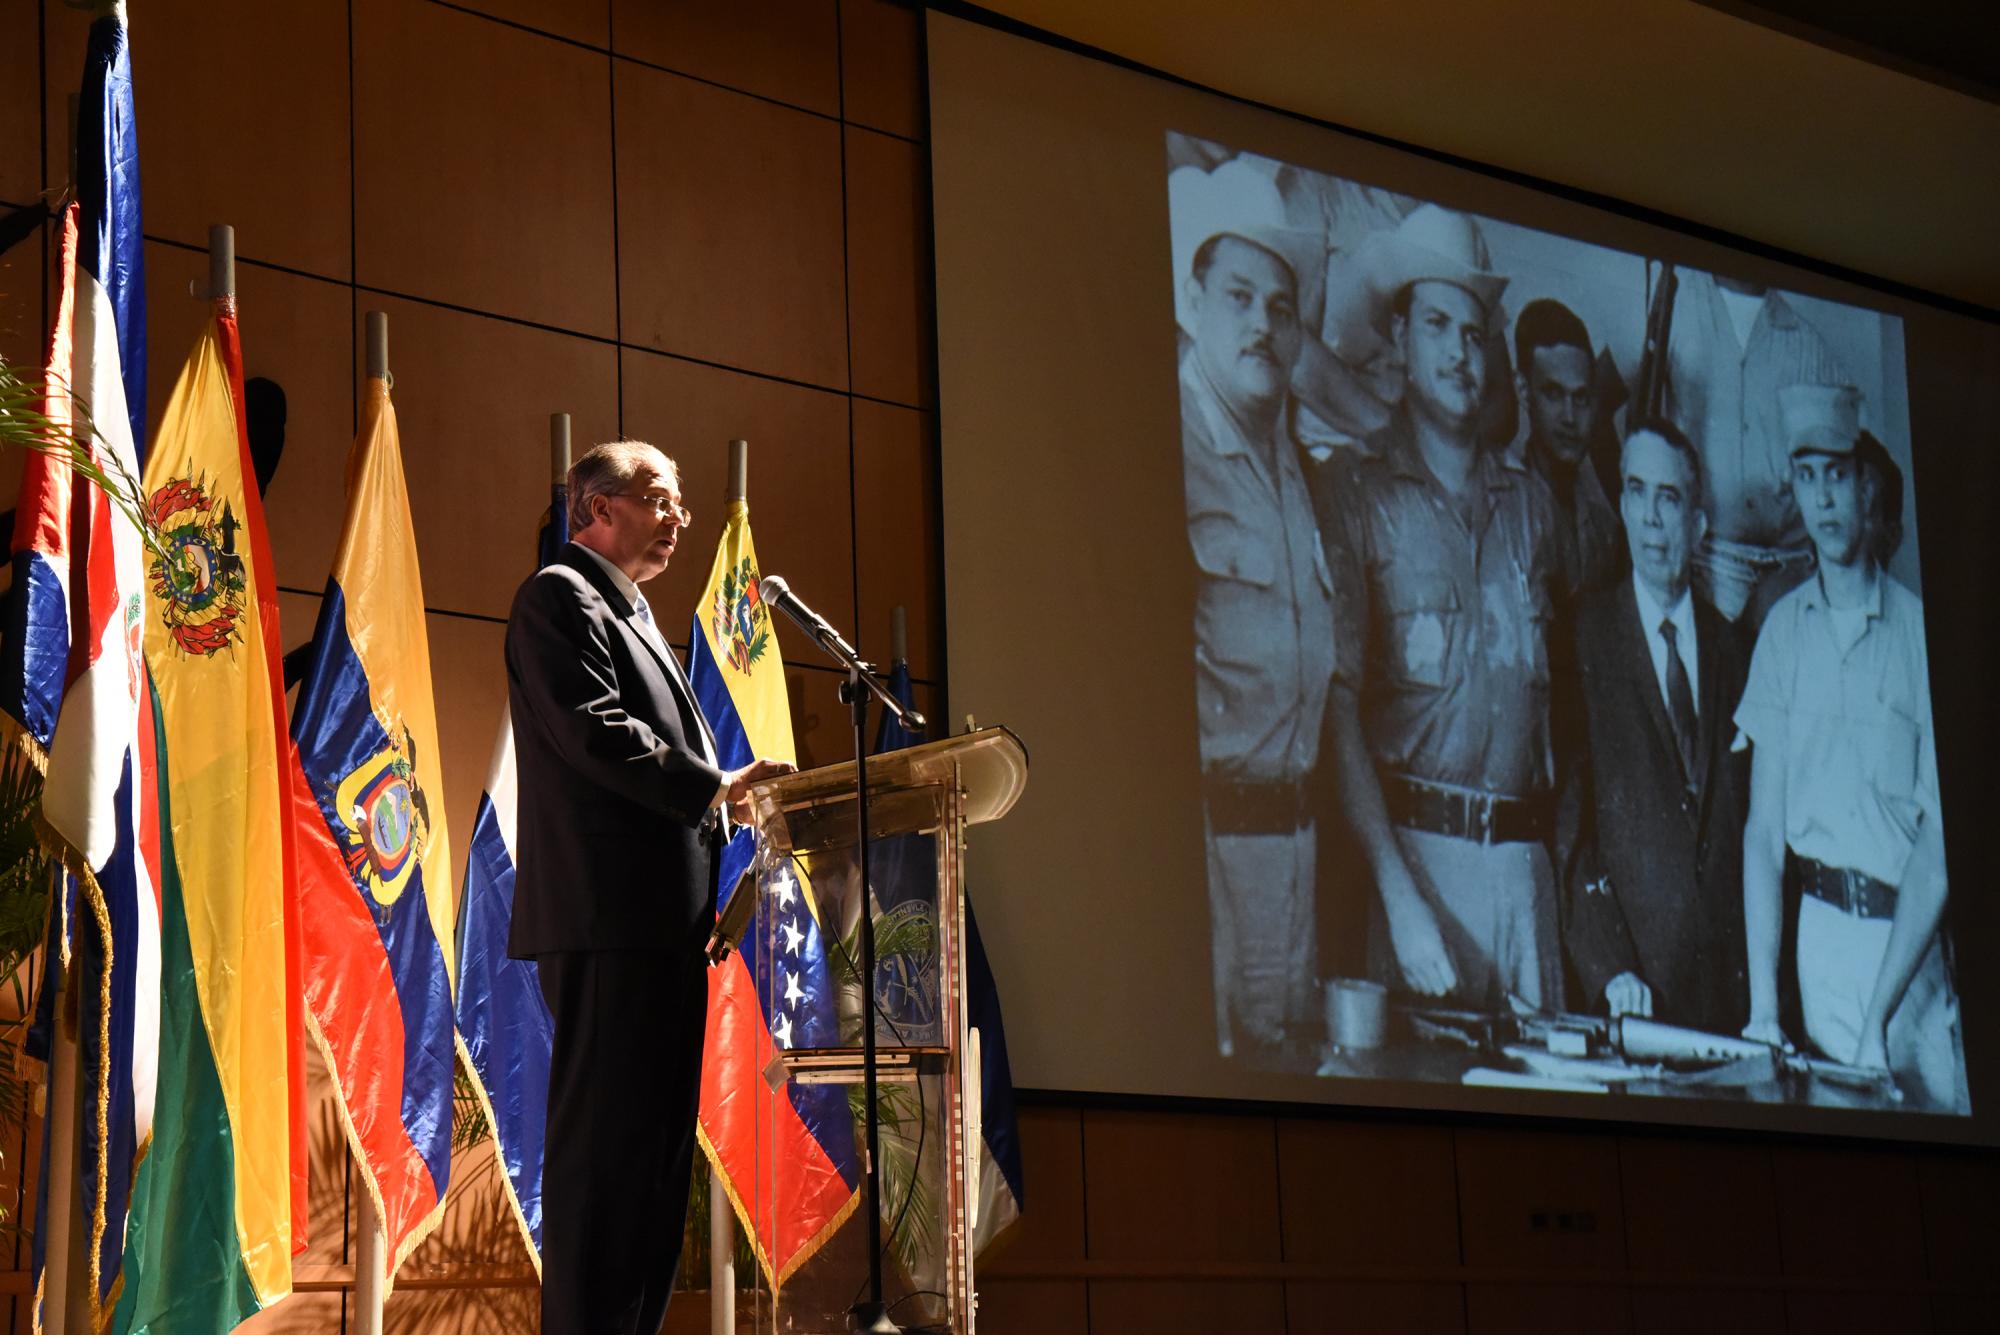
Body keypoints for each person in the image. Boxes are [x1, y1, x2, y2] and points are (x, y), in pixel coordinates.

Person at [505, 440, 795, 1332]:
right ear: (594, 505)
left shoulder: (631, 616)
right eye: (660, 498)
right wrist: (716, 788)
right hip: (608, 929)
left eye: (681, 501)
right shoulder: (559, 596)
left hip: (664, 938)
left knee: (652, 1180)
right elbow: (595, 731)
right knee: (605, 1173)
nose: (680, 517)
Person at [1322, 204, 1569, 1008]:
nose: (1460, 353)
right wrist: (1398, 898)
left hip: (1527, 878)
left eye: (1474, 333)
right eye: (1438, 326)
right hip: (1417, 873)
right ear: (1399, 340)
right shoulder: (1358, 496)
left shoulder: (1536, 508)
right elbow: (1340, 713)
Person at [1735, 386, 1966, 1111]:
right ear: (1794, 491)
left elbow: (1939, 848)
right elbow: (1764, 835)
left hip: (1912, 962)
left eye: (1837, 474)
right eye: (1808, 476)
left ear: (1866, 484)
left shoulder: (1924, 638)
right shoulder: (1781, 636)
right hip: (1821, 952)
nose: (1825, 498)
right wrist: (1767, 1008)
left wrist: (1878, 1025)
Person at [1170, 157, 1337, 1056]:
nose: (1263, 325)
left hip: (1297, 858)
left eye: (1281, 308)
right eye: (1240, 296)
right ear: (1194, 298)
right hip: (1212, 863)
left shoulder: (1291, 463)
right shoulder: (1171, 451)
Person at [1557, 421, 1749, 1033]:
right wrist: (1610, 966)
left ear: (1698, 524)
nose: (1650, 520)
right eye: (1636, 494)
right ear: (1620, 506)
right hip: (1631, 996)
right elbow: (1570, 828)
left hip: (1728, 998)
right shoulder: (1582, 637)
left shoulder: (1735, 650)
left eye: (1668, 499)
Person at [1665, 272, 1848, 624]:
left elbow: (1852, 462)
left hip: (1790, 566)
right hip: (1708, 563)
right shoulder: (1676, 311)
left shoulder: (1807, 342)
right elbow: (1616, 403)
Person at [1514, 298, 1622, 595]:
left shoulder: (1604, 531)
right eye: (1553, 394)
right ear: (1523, 391)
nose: (1570, 417)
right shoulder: (1506, 517)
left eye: (1581, 398)